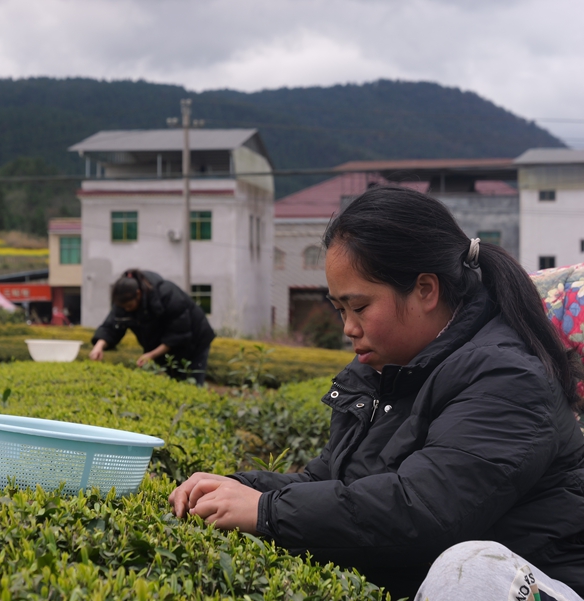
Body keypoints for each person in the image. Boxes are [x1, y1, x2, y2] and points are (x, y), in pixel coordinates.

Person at [168, 186, 584, 600]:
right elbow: (331, 479)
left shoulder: (508, 377)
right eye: (340, 309)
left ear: (425, 290)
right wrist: (239, 488)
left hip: (535, 582)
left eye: (360, 307)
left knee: (472, 572)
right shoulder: (386, 369)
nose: (348, 327)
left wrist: (265, 511)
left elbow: (424, 510)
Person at [89, 269, 215, 386]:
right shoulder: (123, 303)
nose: (126, 309)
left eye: (129, 306)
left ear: (138, 294)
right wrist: (98, 347)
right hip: (166, 345)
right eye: (123, 307)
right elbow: (112, 326)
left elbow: (177, 335)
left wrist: (151, 355)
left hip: (195, 341)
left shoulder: (167, 294)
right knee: (175, 381)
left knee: (190, 382)